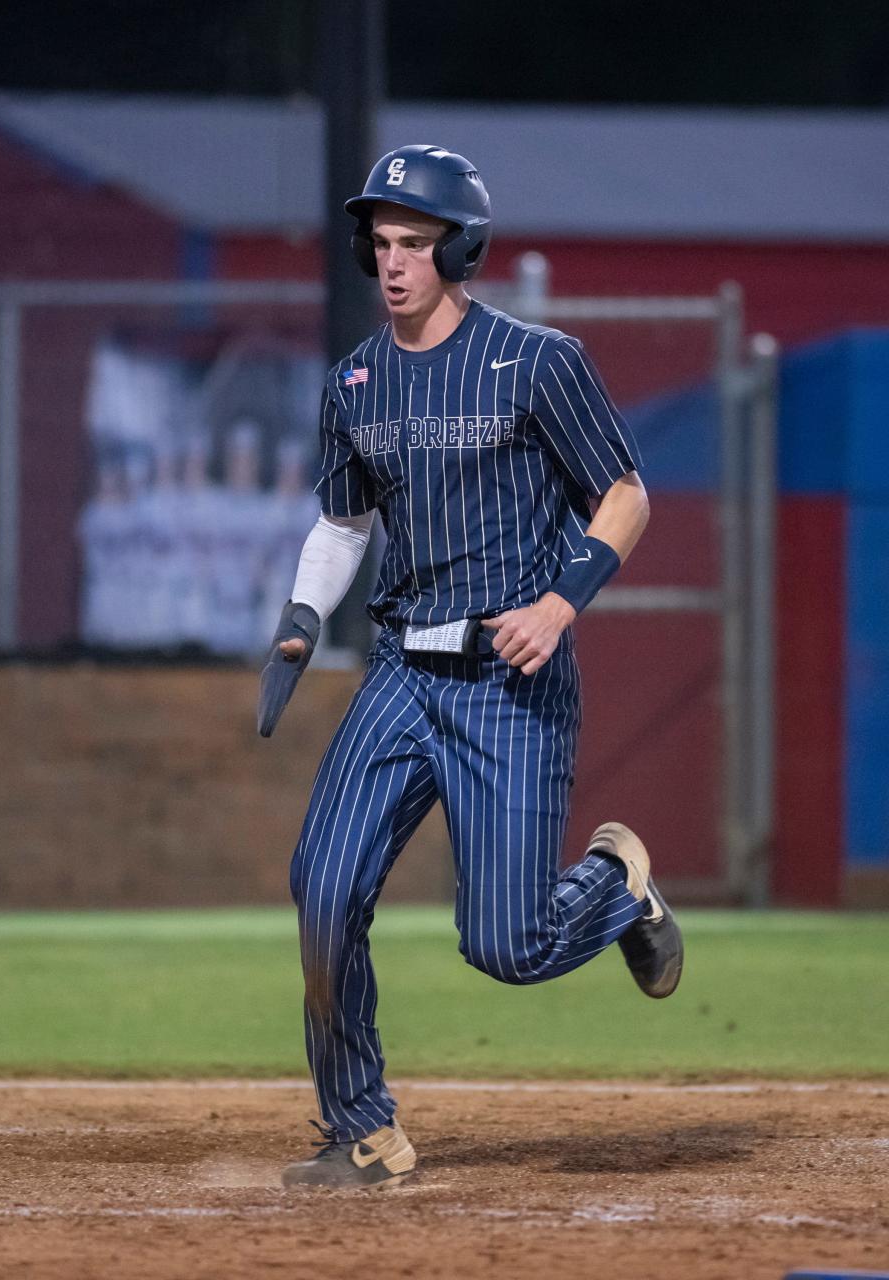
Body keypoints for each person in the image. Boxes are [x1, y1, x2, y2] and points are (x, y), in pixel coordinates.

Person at [261, 145, 684, 1190]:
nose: (393, 261)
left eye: (416, 242)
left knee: (509, 943)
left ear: (461, 249)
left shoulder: (538, 360)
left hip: (509, 678)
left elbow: (623, 496)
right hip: (405, 670)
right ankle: (361, 1124)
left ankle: (618, 885)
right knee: (321, 884)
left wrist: (557, 601)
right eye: (382, 241)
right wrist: (303, 615)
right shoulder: (354, 380)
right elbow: (343, 520)